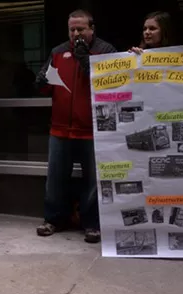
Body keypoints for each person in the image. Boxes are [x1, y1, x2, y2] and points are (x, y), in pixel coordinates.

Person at [35, 9, 116, 243]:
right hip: (60, 129)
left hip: (94, 130)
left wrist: (86, 61)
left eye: (81, 29)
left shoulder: (106, 51)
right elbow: (46, 84)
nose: (76, 33)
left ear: (92, 29)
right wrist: (40, 82)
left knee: (93, 181)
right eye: (72, 29)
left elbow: (112, 84)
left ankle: (91, 224)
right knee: (56, 178)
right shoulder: (58, 52)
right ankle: (54, 219)